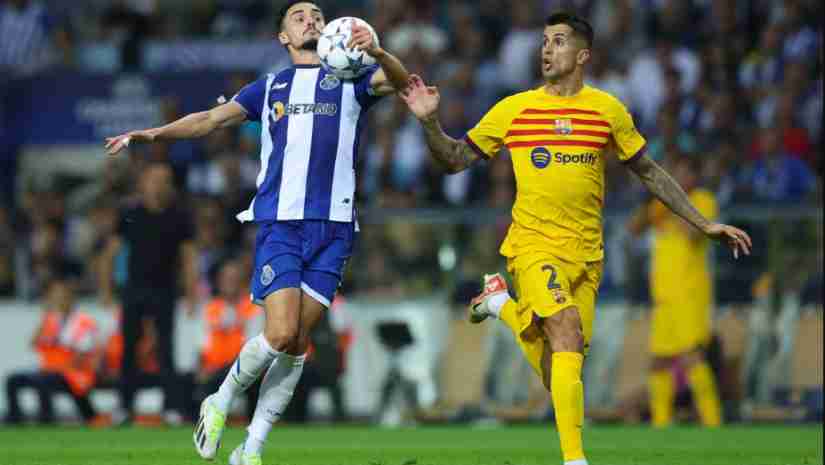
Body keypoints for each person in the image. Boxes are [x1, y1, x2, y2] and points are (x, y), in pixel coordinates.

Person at [399, 12, 752, 465]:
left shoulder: (607, 110)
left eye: (559, 41)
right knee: (564, 328)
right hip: (533, 245)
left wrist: (703, 223)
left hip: (587, 255)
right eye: (545, 41)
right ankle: (575, 460)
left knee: (559, 372)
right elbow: (454, 160)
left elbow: (649, 172)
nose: (547, 49)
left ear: (583, 55)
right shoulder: (515, 109)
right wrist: (430, 123)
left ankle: (500, 304)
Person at [104, 1, 410, 463]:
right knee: (281, 332)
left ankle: (251, 448)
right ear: (283, 37)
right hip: (281, 223)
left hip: (335, 228)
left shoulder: (353, 79)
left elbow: (403, 82)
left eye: (316, 14)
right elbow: (207, 120)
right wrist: (151, 134)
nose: (310, 19)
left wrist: (380, 51)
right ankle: (220, 400)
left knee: (297, 343)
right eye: (298, 16)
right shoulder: (269, 88)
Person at [98, 161, 197, 426]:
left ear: (171, 186)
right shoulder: (130, 213)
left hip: (165, 290)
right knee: (129, 349)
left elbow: (188, 258)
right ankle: (124, 407)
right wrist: (106, 289)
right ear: (143, 183)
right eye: (154, 179)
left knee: (166, 350)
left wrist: (191, 294)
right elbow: (110, 254)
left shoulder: (179, 217)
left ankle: (170, 408)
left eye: (165, 180)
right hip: (134, 289)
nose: (159, 186)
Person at [627, 157, 723, 427]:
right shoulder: (659, 203)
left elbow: (695, 234)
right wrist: (649, 202)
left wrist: (673, 203)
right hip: (663, 298)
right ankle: (661, 425)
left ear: (694, 176)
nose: (676, 179)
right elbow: (633, 229)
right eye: (673, 174)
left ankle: (713, 423)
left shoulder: (703, 200)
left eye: (682, 173)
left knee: (692, 358)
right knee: (658, 362)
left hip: (690, 295)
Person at [4, 277, 98, 425]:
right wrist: (44, 318)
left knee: (42, 380)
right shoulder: (51, 320)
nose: (58, 300)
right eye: (55, 296)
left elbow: (82, 354)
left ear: (71, 298)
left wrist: (58, 368)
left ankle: (46, 419)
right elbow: (33, 343)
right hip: (48, 370)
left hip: (73, 373)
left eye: (61, 296)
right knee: (12, 379)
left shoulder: (84, 321)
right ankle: (15, 419)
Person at [191, 260, 262, 421]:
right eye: (226, 278)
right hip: (213, 370)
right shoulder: (209, 308)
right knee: (195, 380)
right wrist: (201, 369)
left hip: (243, 370)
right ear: (219, 281)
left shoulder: (252, 307)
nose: (230, 282)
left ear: (241, 281)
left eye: (234, 278)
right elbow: (201, 345)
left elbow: (255, 345)